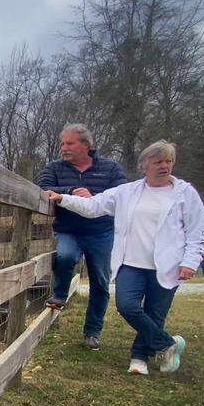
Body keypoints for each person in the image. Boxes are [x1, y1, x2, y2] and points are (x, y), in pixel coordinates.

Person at [45, 140, 204, 375]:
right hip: (131, 263)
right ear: (145, 166)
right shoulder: (127, 192)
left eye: (168, 161)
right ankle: (168, 345)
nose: (164, 165)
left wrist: (190, 262)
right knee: (127, 306)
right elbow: (94, 206)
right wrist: (63, 198)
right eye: (158, 161)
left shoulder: (185, 193)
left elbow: (197, 231)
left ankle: (139, 358)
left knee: (154, 313)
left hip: (167, 265)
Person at [37, 123, 127, 350]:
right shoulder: (54, 167)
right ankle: (59, 294)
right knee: (65, 256)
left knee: (100, 281)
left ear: (86, 145)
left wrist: (94, 196)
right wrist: (70, 192)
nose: (63, 148)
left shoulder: (110, 168)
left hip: (101, 232)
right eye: (62, 143)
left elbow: (123, 194)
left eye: (69, 143)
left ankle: (92, 332)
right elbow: (43, 188)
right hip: (68, 228)